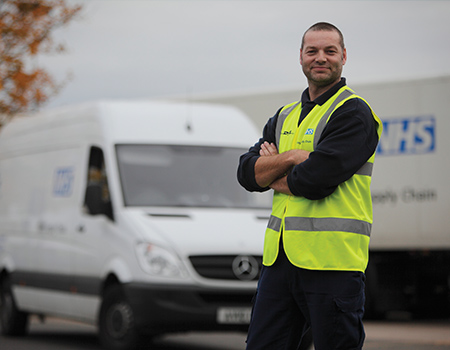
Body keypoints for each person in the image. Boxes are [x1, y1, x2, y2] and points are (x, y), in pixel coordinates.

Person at [237, 22, 383, 350]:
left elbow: (317, 180)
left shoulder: (353, 113)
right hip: (280, 263)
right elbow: (246, 174)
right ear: (301, 57)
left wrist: (270, 173)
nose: (321, 58)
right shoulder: (284, 116)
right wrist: (292, 158)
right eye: (312, 51)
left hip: (332, 264)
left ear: (343, 56)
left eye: (330, 51)